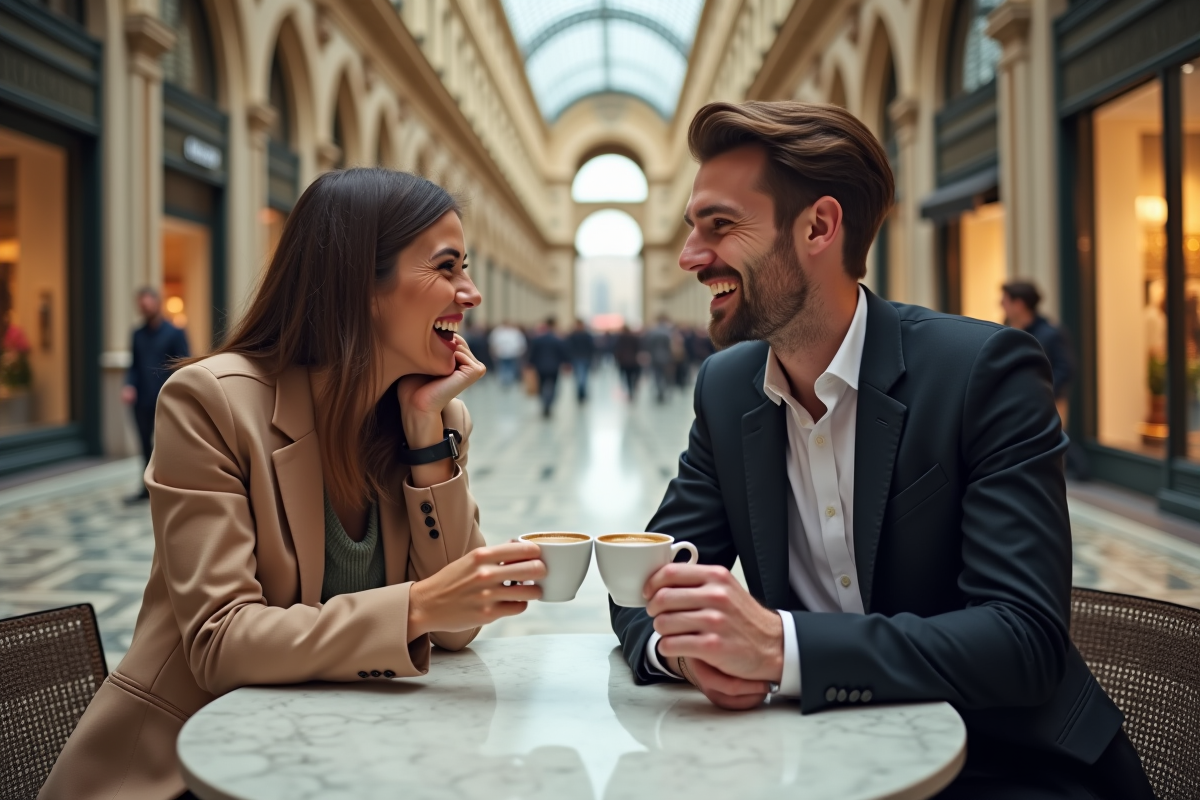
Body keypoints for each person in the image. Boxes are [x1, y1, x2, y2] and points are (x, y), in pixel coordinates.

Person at [609, 101, 1152, 799]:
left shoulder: (985, 373)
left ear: (819, 226)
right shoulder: (726, 389)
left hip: (1008, 765)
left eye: (720, 226)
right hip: (822, 762)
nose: (690, 257)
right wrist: (685, 656)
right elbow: (646, 580)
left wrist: (780, 647)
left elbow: (1023, 639)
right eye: (692, 229)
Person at [41, 169, 546, 800]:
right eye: (447, 268)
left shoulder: (433, 418)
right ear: (362, 284)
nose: (470, 293)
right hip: (187, 772)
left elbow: (454, 630)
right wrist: (414, 606)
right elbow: (220, 642)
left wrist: (424, 434)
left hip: (345, 757)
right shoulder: (211, 404)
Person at [121, 287, 190, 503]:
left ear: (158, 303)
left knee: (167, 445)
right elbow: (133, 366)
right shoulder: (137, 334)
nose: (145, 308)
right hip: (141, 400)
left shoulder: (175, 332)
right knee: (144, 446)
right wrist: (128, 385)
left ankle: (170, 487)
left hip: (165, 399)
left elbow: (184, 363)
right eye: (141, 305)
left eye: (148, 303)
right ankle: (146, 488)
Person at [1000, 281, 1074, 426]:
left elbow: (1065, 368)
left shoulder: (1050, 333)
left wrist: (1043, 393)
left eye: (1004, 301)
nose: (1001, 306)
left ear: (1019, 304)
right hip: (1015, 404)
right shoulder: (1006, 331)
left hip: (1046, 405)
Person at [527, 317, 569, 418]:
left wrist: (529, 364)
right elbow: (563, 354)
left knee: (541, 385)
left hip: (540, 366)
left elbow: (533, 354)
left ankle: (544, 402)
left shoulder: (538, 339)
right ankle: (549, 402)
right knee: (553, 386)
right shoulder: (558, 340)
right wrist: (566, 363)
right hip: (554, 367)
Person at [643, 314, 676, 404]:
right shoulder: (667, 332)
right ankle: (664, 390)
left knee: (657, 376)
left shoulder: (652, 332)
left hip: (654, 357)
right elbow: (670, 346)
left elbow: (648, 345)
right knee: (666, 376)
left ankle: (659, 390)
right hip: (666, 357)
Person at [489, 319, 526, 388]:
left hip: (512, 353)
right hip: (501, 353)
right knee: (503, 367)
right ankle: (504, 381)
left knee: (511, 368)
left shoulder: (515, 332)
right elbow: (493, 342)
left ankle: (509, 381)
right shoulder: (498, 331)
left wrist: (520, 351)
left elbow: (521, 343)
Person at [566, 319, 597, 402]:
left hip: (584, 358)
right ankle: (581, 393)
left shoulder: (584, 335)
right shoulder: (574, 335)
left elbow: (592, 348)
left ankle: (581, 393)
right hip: (577, 358)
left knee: (583, 377)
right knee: (580, 377)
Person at [613, 324, 642, 400]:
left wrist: (617, 360)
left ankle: (630, 391)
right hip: (633, 360)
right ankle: (633, 387)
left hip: (624, 361)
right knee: (634, 375)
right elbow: (638, 348)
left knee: (628, 377)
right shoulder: (634, 337)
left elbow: (617, 350)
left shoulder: (620, 338)